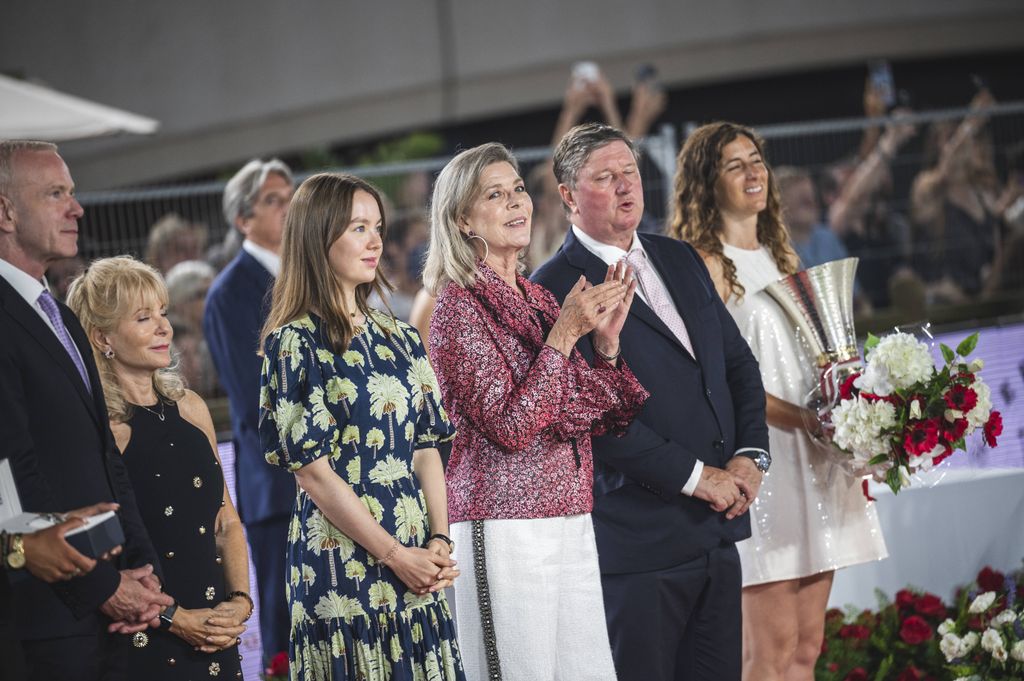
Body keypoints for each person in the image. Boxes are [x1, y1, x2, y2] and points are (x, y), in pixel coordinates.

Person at [531, 123, 769, 681]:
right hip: (639, 544)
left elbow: (736, 366)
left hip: (717, 529)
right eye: (604, 178)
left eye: (630, 173)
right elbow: (592, 420)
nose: (624, 187)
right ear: (568, 195)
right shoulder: (550, 289)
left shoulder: (679, 257)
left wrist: (750, 456)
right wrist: (696, 477)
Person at [668, 122, 889, 681]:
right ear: (704, 183)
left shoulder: (781, 256)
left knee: (808, 645)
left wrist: (855, 416)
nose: (753, 173)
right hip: (763, 464)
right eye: (735, 164)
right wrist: (804, 420)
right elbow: (716, 379)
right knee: (769, 649)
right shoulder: (706, 264)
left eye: (757, 160)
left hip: (814, 461)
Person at [424, 143, 648, 680]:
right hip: (502, 526)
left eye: (518, 189)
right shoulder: (456, 310)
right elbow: (513, 425)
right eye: (495, 195)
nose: (516, 202)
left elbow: (589, 416)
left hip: (568, 514)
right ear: (462, 218)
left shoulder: (537, 299)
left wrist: (607, 348)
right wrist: (566, 334)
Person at [258, 173, 464, 679]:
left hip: (418, 560)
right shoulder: (294, 343)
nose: (375, 240)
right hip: (341, 566)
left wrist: (439, 541)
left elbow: (425, 447)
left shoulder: (401, 338)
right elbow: (312, 472)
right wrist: (395, 556)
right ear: (317, 236)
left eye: (377, 226)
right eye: (357, 228)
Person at [0, 139, 172, 681]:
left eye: (72, 192)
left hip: (108, 606)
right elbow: (12, 475)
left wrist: (140, 566)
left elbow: (103, 458)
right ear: (5, 211)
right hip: (47, 618)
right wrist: (102, 590)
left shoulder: (60, 316)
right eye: (55, 194)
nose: (76, 208)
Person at [67, 255, 251, 679]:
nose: (164, 328)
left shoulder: (192, 408)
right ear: (102, 337)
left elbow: (227, 524)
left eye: (164, 313)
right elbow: (99, 559)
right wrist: (177, 619)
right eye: (144, 317)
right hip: (146, 642)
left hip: (217, 632)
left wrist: (239, 602)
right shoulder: (102, 430)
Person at [203, 158, 295, 661]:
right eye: (272, 200)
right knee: (284, 621)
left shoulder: (311, 271)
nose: (287, 207)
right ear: (243, 219)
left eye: (289, 196)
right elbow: (253, 394)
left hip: (333, 474)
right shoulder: (228, 293)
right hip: (277, 482)